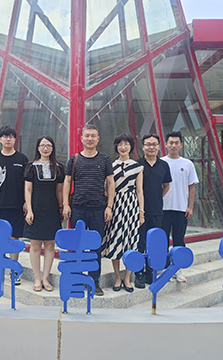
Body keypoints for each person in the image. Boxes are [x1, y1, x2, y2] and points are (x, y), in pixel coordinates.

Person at [62, 124, 115, 296]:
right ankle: (76, 278)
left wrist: (109, 206)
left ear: (98, 139)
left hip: (99, 209)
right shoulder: (74, 159)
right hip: (78, 208)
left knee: (95, 246)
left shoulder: (105, 159)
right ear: (82, 138)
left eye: (93, 136)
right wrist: (66, 204)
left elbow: (111, 183)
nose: (90, 139)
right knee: (76, 245)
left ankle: (94, 281)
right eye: (87, 136)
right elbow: (67, 182)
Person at [0, 125, 28, 284]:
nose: (8, 139)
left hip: (17, 205)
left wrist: (27, 202)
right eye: (5, 136)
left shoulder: (22, 159)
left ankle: (14, 270)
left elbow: (27, 184)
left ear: (15, 139)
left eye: (11, 136)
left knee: (14, 237)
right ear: (0, 139)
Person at [103, 134, 144, 293]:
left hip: (131, 205)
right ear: (116, 147)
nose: (123, 147)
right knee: (115, 241)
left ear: (131, 146)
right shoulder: (110, 166)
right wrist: (109, 206)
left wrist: (141, 212)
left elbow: (139, 191)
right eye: (120, 144)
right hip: (115, 204)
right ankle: (117, 278)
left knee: (130, 241)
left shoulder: (137, 166)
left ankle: (127, 278)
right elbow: (106, 188)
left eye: (126, 144)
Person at [24, 136, 64, 292]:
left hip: (52, 210)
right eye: (42, 145)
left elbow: (59, 190)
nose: (45, 148)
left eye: (48, 145)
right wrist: (29, 210)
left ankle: (46, 278)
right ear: (38, 148)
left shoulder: (59, 167)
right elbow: (28, 190)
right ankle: (37, 278)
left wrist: (61, 208)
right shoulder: (31, 167)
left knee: (50, 244)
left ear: (53, 148)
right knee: (35, 245)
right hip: (36, 210)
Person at [135, 134, 171, 288]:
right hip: (139, 212)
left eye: (154, 144)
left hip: (157, 211)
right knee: (139, 243)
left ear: (158, 146)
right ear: (143, 146)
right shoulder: (137, 164)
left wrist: (157, 197)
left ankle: (150, 272)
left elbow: (166, 185)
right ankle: (138, 273)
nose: (151, 147)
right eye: (148, 144)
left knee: (153, 243)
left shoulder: (164, 165)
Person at [162, 131, 199, 283]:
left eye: (176, 143)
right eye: (171, 142)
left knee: (179, 240)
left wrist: (190, 207)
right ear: (166, 144)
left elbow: (192, 187)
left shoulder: (187, 164)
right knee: (163, 240)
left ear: (181, 145)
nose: (173, 145)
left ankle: (178, 269)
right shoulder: (161, 163)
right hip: (163, 209)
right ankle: (165, 269)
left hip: (181, 209)